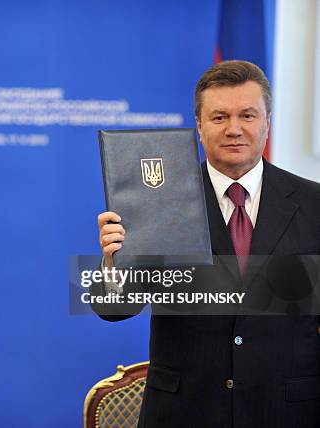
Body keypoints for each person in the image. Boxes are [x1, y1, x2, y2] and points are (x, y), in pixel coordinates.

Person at [95, 61, 320, 427]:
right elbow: (116, 309)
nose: (234, 129)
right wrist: (112, 263)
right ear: (199, 127)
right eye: (219, 118)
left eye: (248, 115)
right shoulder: (157, 200)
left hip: (286, 411)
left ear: (267, 123)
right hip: (185, 412)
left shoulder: (314, 204)